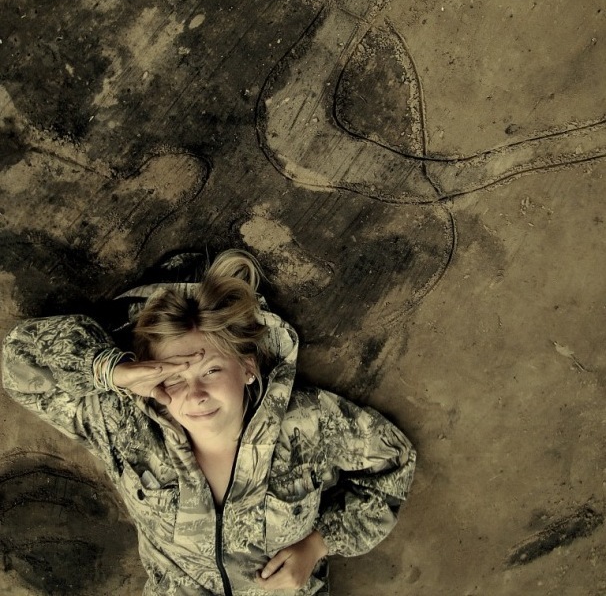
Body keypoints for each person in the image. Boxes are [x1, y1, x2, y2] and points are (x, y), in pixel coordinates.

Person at [1, 249, 416, 595]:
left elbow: (394, 462)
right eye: (175, 377)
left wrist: (319, 544)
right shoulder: (124, 425)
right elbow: (19, 362)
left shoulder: (307, 422)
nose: (195, 394)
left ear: (248, 367)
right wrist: (113, 371)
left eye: (211, 370)